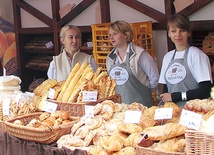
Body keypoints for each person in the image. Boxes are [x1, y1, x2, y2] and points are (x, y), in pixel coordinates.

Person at [159, 14, 213, 108]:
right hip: (173, 113)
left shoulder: (197, 55)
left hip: (193, 112)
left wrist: (175, 96)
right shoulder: (168, 57)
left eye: (182, 30)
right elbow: (166, 89)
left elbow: (206, 90)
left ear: (189, 32)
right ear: (169, 33)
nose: (178, 35)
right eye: (174, 31)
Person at [106, 20, 159, 107]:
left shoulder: (140, 54)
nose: (111, 37)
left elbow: (154, 79)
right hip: (120, 108)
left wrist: (143, 92)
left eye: (115, 34)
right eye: (110, 35)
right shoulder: (110, 58)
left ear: (126, 35)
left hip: (141, 107)